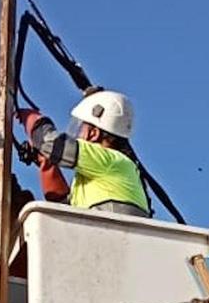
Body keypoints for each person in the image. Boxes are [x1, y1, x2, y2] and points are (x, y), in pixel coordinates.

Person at [16, 88, 152, 218]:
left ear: (93, 133)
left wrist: (32, 118)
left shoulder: (110, 160)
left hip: (108, 237)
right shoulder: (100, 175)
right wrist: (45, 162)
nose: (78, 134)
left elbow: (50, 143)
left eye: (81, 128)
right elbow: (62, 206)